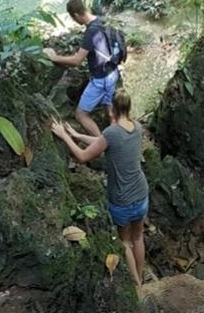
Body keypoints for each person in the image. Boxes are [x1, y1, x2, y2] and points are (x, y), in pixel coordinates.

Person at [51, 90, 148, 289]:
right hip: (141, 194)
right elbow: (102, 143)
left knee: (125, 241)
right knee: (138, 236)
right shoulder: (137, 127)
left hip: (122, 199)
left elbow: (83, 156)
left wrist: (63, 136)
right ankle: (142, 276)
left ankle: (138, 287)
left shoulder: (111, 133)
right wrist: (77, 134)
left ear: (111, 108)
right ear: (129, 107)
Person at [43, 0, 119, 136]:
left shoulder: (90, 32)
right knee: (109, 109)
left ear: (76, 15)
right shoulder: (101, 20)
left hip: (101, 79)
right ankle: (118, 137)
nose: (75, 21)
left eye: (73, 18)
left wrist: (55, 57)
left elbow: (77, 61)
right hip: (113, 73)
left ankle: (102, 144)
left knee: (81, 115)